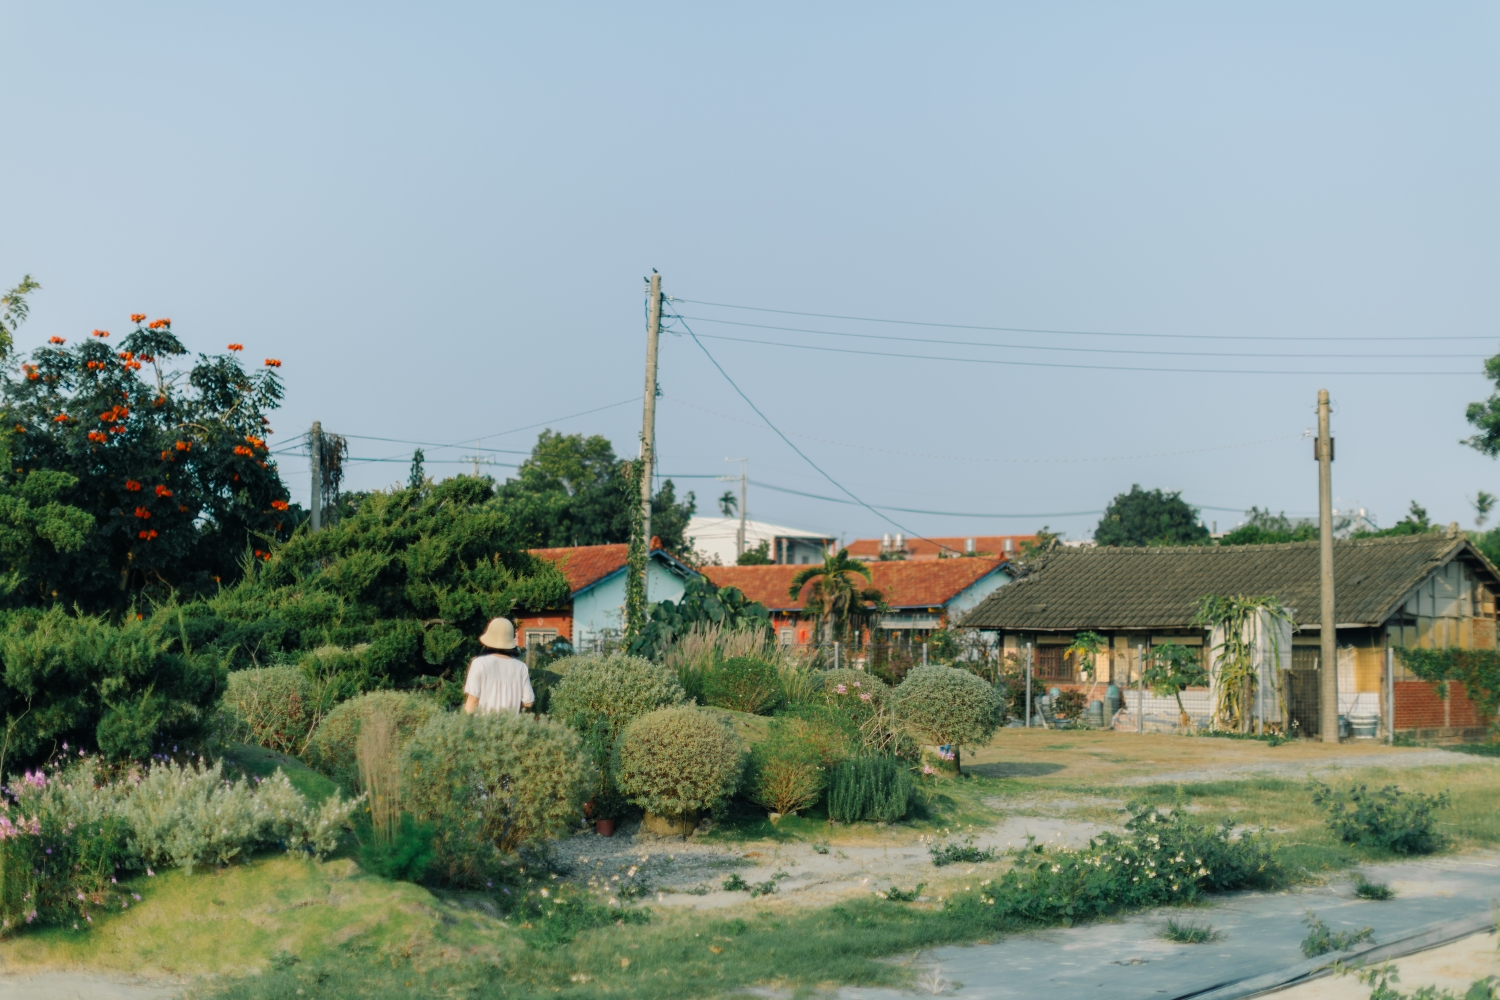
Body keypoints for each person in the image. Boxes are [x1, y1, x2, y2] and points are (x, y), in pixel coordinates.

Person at [463, 618, 535, 715]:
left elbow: (472, 700)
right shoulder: (521, 667)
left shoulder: (479, 663)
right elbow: (528, 702)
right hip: (512, 727)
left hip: (484, 726)